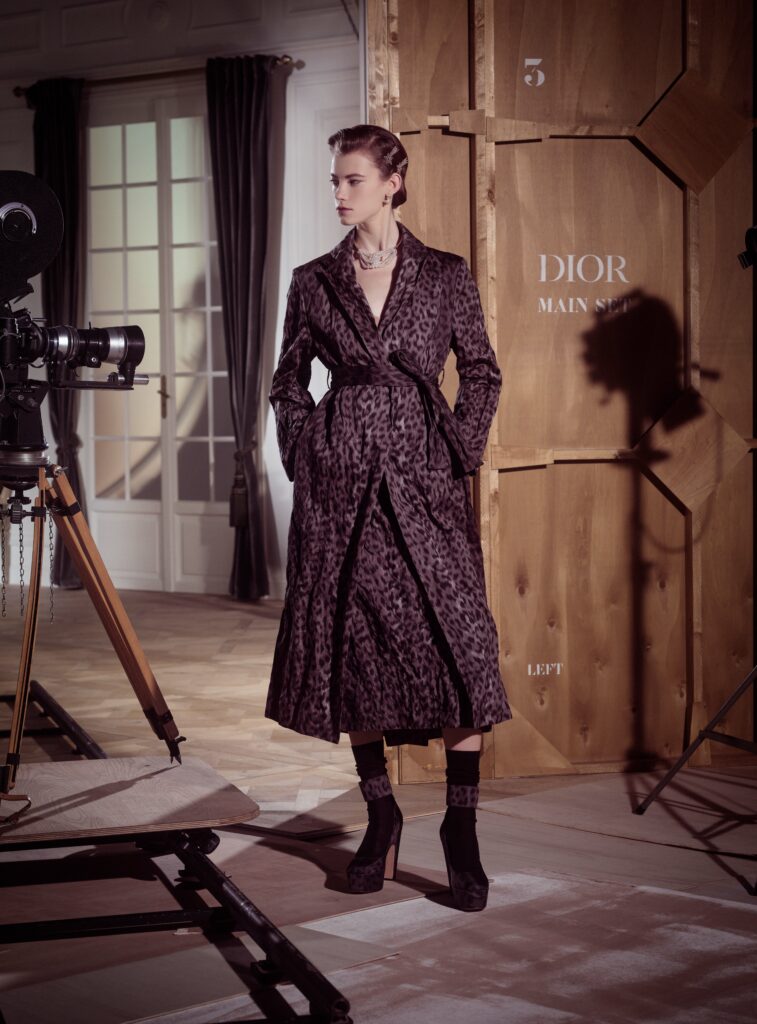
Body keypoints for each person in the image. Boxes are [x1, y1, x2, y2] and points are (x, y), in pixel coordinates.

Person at [267, 124, 511, 912]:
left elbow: (481, 371)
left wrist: (458, 449)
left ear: (392, 182)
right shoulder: (313, 281)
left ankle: (461, 831)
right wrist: (309, 449)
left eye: (352, 180)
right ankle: (380, 815)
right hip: (340, 489)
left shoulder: (444, 274)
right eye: (334, 181)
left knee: (461, 649)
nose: (338, 193)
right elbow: (286, 383)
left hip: (424, 478)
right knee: (356, 649)